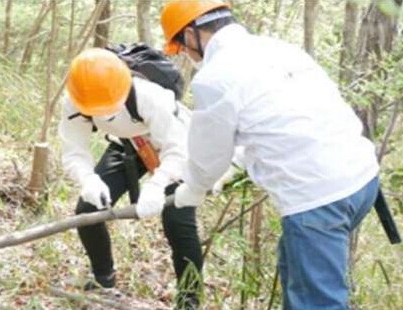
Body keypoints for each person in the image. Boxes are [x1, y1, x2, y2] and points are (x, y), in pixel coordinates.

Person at [155, 1, 380, 310]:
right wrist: (236, 165)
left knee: (315, 302)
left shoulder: (215, 76)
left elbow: (208, 157)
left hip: (318, 198)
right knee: (299, 276)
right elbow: (283, 124)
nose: (185, 54)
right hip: (362, 177)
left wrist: (192, 189)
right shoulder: (278, 49)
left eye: (181, 46)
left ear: (193, 33)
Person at [59, 47, 203, 309]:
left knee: (177, 220)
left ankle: (189, 300)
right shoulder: (75, 100)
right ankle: (104, 280)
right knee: (87, 211)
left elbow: (178, 149)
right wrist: (87, 178)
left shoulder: (150, 96)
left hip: (173, 145)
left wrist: (158, 185)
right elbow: (73, 152)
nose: (103, 112)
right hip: (128, 145)